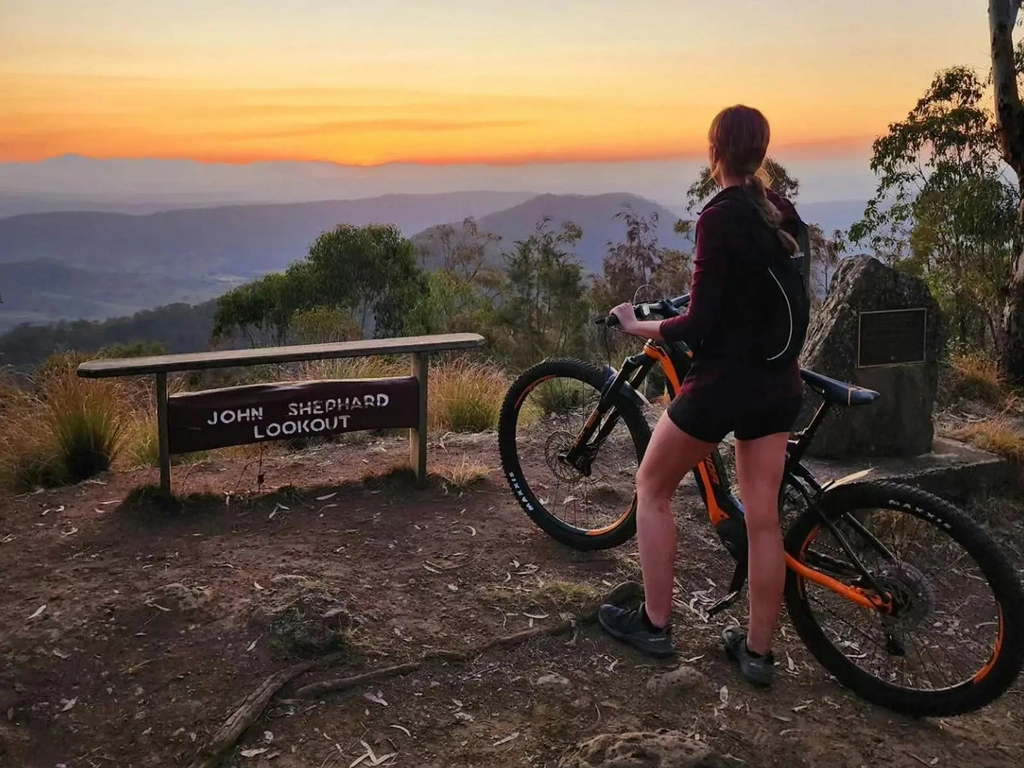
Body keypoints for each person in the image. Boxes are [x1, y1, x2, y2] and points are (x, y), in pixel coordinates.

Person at [596, 104, 806, 688]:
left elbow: (699, 322)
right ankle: (757, 653)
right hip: (779, 381)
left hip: (726, 384)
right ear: (761, 153)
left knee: (652, 486)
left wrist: (636, 325)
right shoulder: (782, 211)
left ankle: (655, 624)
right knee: (764, 520)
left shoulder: (718, 218)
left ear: (714, 153)